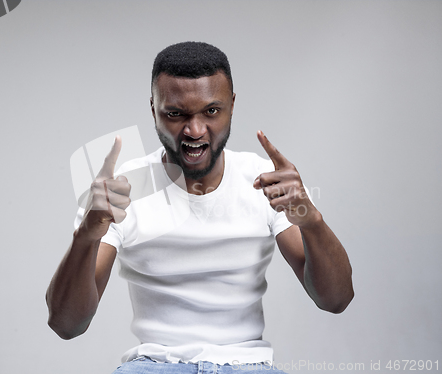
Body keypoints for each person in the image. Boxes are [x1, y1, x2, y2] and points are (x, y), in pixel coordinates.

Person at [46, 41, 354, 374]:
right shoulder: (121, 192)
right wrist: (86, 237)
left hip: (247, 364)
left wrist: (312, 222)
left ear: (232, 106)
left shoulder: (265, 180)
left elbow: (335, 300)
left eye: (211, 111)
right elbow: (67, 325)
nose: (195, 131)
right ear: (154, 110)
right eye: (176, 114)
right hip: (154, 365)